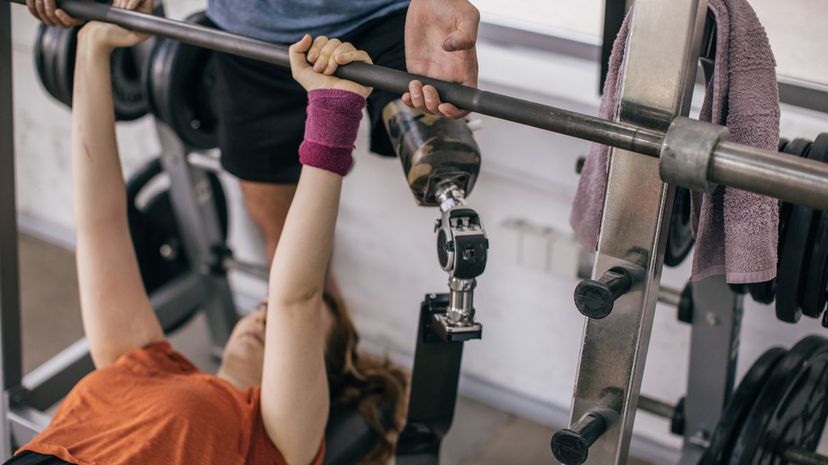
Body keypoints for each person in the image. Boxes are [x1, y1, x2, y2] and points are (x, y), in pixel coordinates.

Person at [5, 4, 405, 465]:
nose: (262, 318)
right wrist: (94, 46)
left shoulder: (274, 439)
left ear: (318, 376)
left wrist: (334, 112)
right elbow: (100, 222)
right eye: (261, 307)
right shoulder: (141, 360)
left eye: (283, 328)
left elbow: (296, 293)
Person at [26, 0, 481, 299]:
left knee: (441, 161)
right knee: (284, 236)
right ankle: (326, 365)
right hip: (255, 38)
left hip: (393, 18)